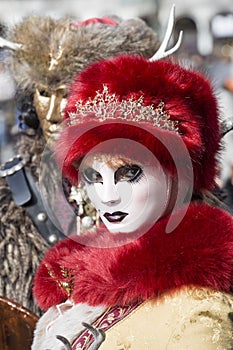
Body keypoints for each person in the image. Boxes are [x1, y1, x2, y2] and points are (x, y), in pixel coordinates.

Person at [31, 8, 233, 350]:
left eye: (129, 174)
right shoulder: (74, 283)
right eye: (94, 176)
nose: (107, 196)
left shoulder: (199, 311)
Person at [0, 15, 159, 316]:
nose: (55, 112)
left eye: (70, 91)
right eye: (43, 92)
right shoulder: (7, 195)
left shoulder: (159, 184)